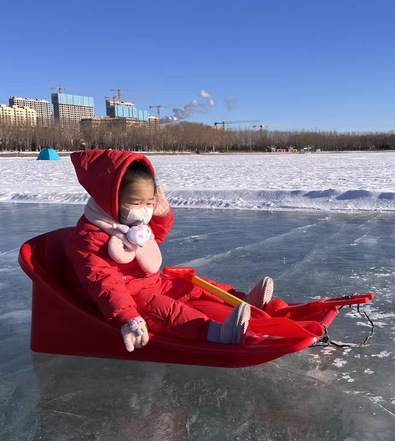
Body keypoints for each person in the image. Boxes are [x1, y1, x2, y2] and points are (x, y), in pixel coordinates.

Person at [64, 149, 274, 351]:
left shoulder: (129, 222)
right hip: (123, 297)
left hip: (151, 281)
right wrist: (128, 318)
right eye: (136, 203)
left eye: (148, 203)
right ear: (109, 199)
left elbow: (156, 237)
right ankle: (218, 333)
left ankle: (242, 299)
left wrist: (161, 215)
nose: (144, 211)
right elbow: (103, 282)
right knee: (164, 310)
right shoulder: (91, 236)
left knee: (189, 285)